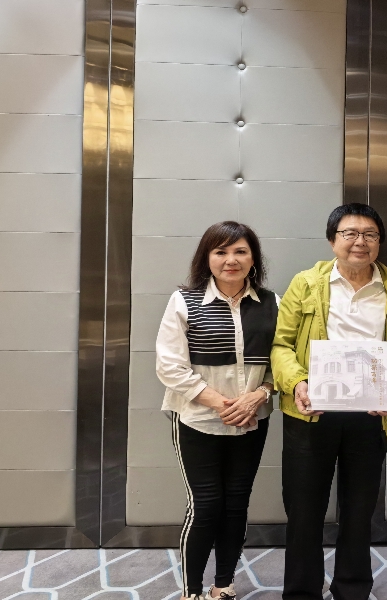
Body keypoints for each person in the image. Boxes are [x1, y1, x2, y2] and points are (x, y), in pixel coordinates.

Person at [272, 203, 387, 600]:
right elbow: (281, 345)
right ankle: (301, 593)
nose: (360, 242)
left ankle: (352, 590)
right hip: (311, 411)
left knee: (358, 512)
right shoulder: (305, 284)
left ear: (380, 242)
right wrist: (297, 383)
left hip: (371, 414)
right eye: (350, 233)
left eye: (370, 235)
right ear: (332, 240)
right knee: (303, 511)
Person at [156, 221, 279, 600]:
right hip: (197, 419)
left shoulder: (271, 303)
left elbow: (281, 362)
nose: (231, 260)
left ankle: (223, 585)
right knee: (206, 505)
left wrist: (259, 395)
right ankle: (191, 592)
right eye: (221, 251)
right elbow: (169, 366)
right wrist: (223, 404)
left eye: (240, 251)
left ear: (253, 258)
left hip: (252, 420)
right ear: (206, 258)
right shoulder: (185, 300)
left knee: (237, 504)